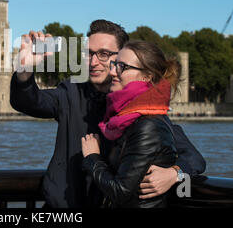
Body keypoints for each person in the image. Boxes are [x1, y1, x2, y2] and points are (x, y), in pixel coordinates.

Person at [10, 20, 206, 208]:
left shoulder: (142, 111)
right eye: (89, 53)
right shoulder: (72, 92)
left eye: (103, 54)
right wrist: (25, 68)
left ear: (121, 58)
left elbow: (194, 158)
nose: (94, 62)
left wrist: (175, 175)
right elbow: (28, 102)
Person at [82, 40, 181, 207]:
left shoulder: (148, 125)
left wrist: (92, 158)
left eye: (122, 67)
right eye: (114, 64)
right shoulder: (126, 116)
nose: (112, 72)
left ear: (147, 76)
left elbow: (120, 191)